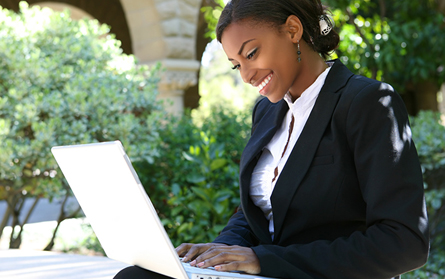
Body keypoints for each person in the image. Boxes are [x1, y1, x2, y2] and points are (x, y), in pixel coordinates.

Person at [115, 0, 429, 278]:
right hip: (263, 273)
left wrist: (263, 260)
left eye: (252, 53)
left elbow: (404, 242)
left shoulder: (367, 102)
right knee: (137, 277)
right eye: (237, 64)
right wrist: (216, 254)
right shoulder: (266, 111)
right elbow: (255, 213)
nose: (246, 75)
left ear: (293, 30)